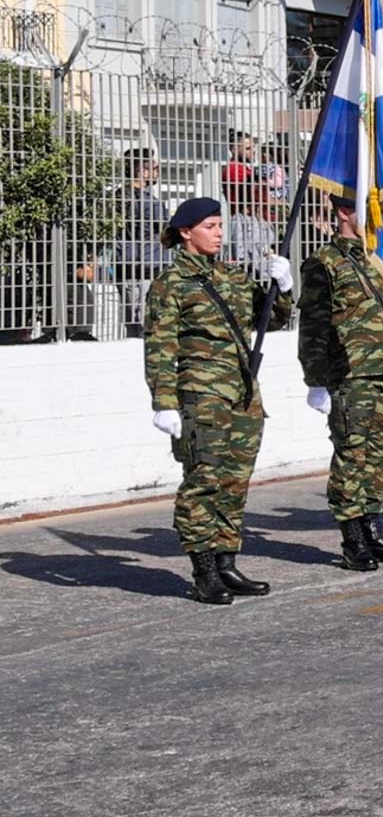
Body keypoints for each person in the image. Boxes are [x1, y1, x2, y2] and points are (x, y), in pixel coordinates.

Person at [143, 197, 293, 604]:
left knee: (233, 484)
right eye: (210, 226)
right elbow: (160, 345)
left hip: (243, 396)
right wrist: (164, 402)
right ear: (186, 232)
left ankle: (227, 562)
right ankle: (203, 570)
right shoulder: (170, 285)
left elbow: (270, 320)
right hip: (201, 398)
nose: (219, 233)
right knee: (203, 484)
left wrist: (282, 288)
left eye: (220, 226)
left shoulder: (232, 277)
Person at [298, 195, 383, 570]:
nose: (378, 217)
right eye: (368, 208)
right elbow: (314, 327)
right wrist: (316, 380)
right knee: (352, 456)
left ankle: (372, 526)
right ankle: (352, 538)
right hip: (349, 374)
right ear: (344, 212)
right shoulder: (324, 263)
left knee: (378, 456)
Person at [115, 148, 170, 335]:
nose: (157, 172)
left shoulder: (140, 197)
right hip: (139, 264)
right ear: (142, 170)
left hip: (146, 263)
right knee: (139, 320)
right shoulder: (131, 197)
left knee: (141, 318)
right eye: (154, 168)